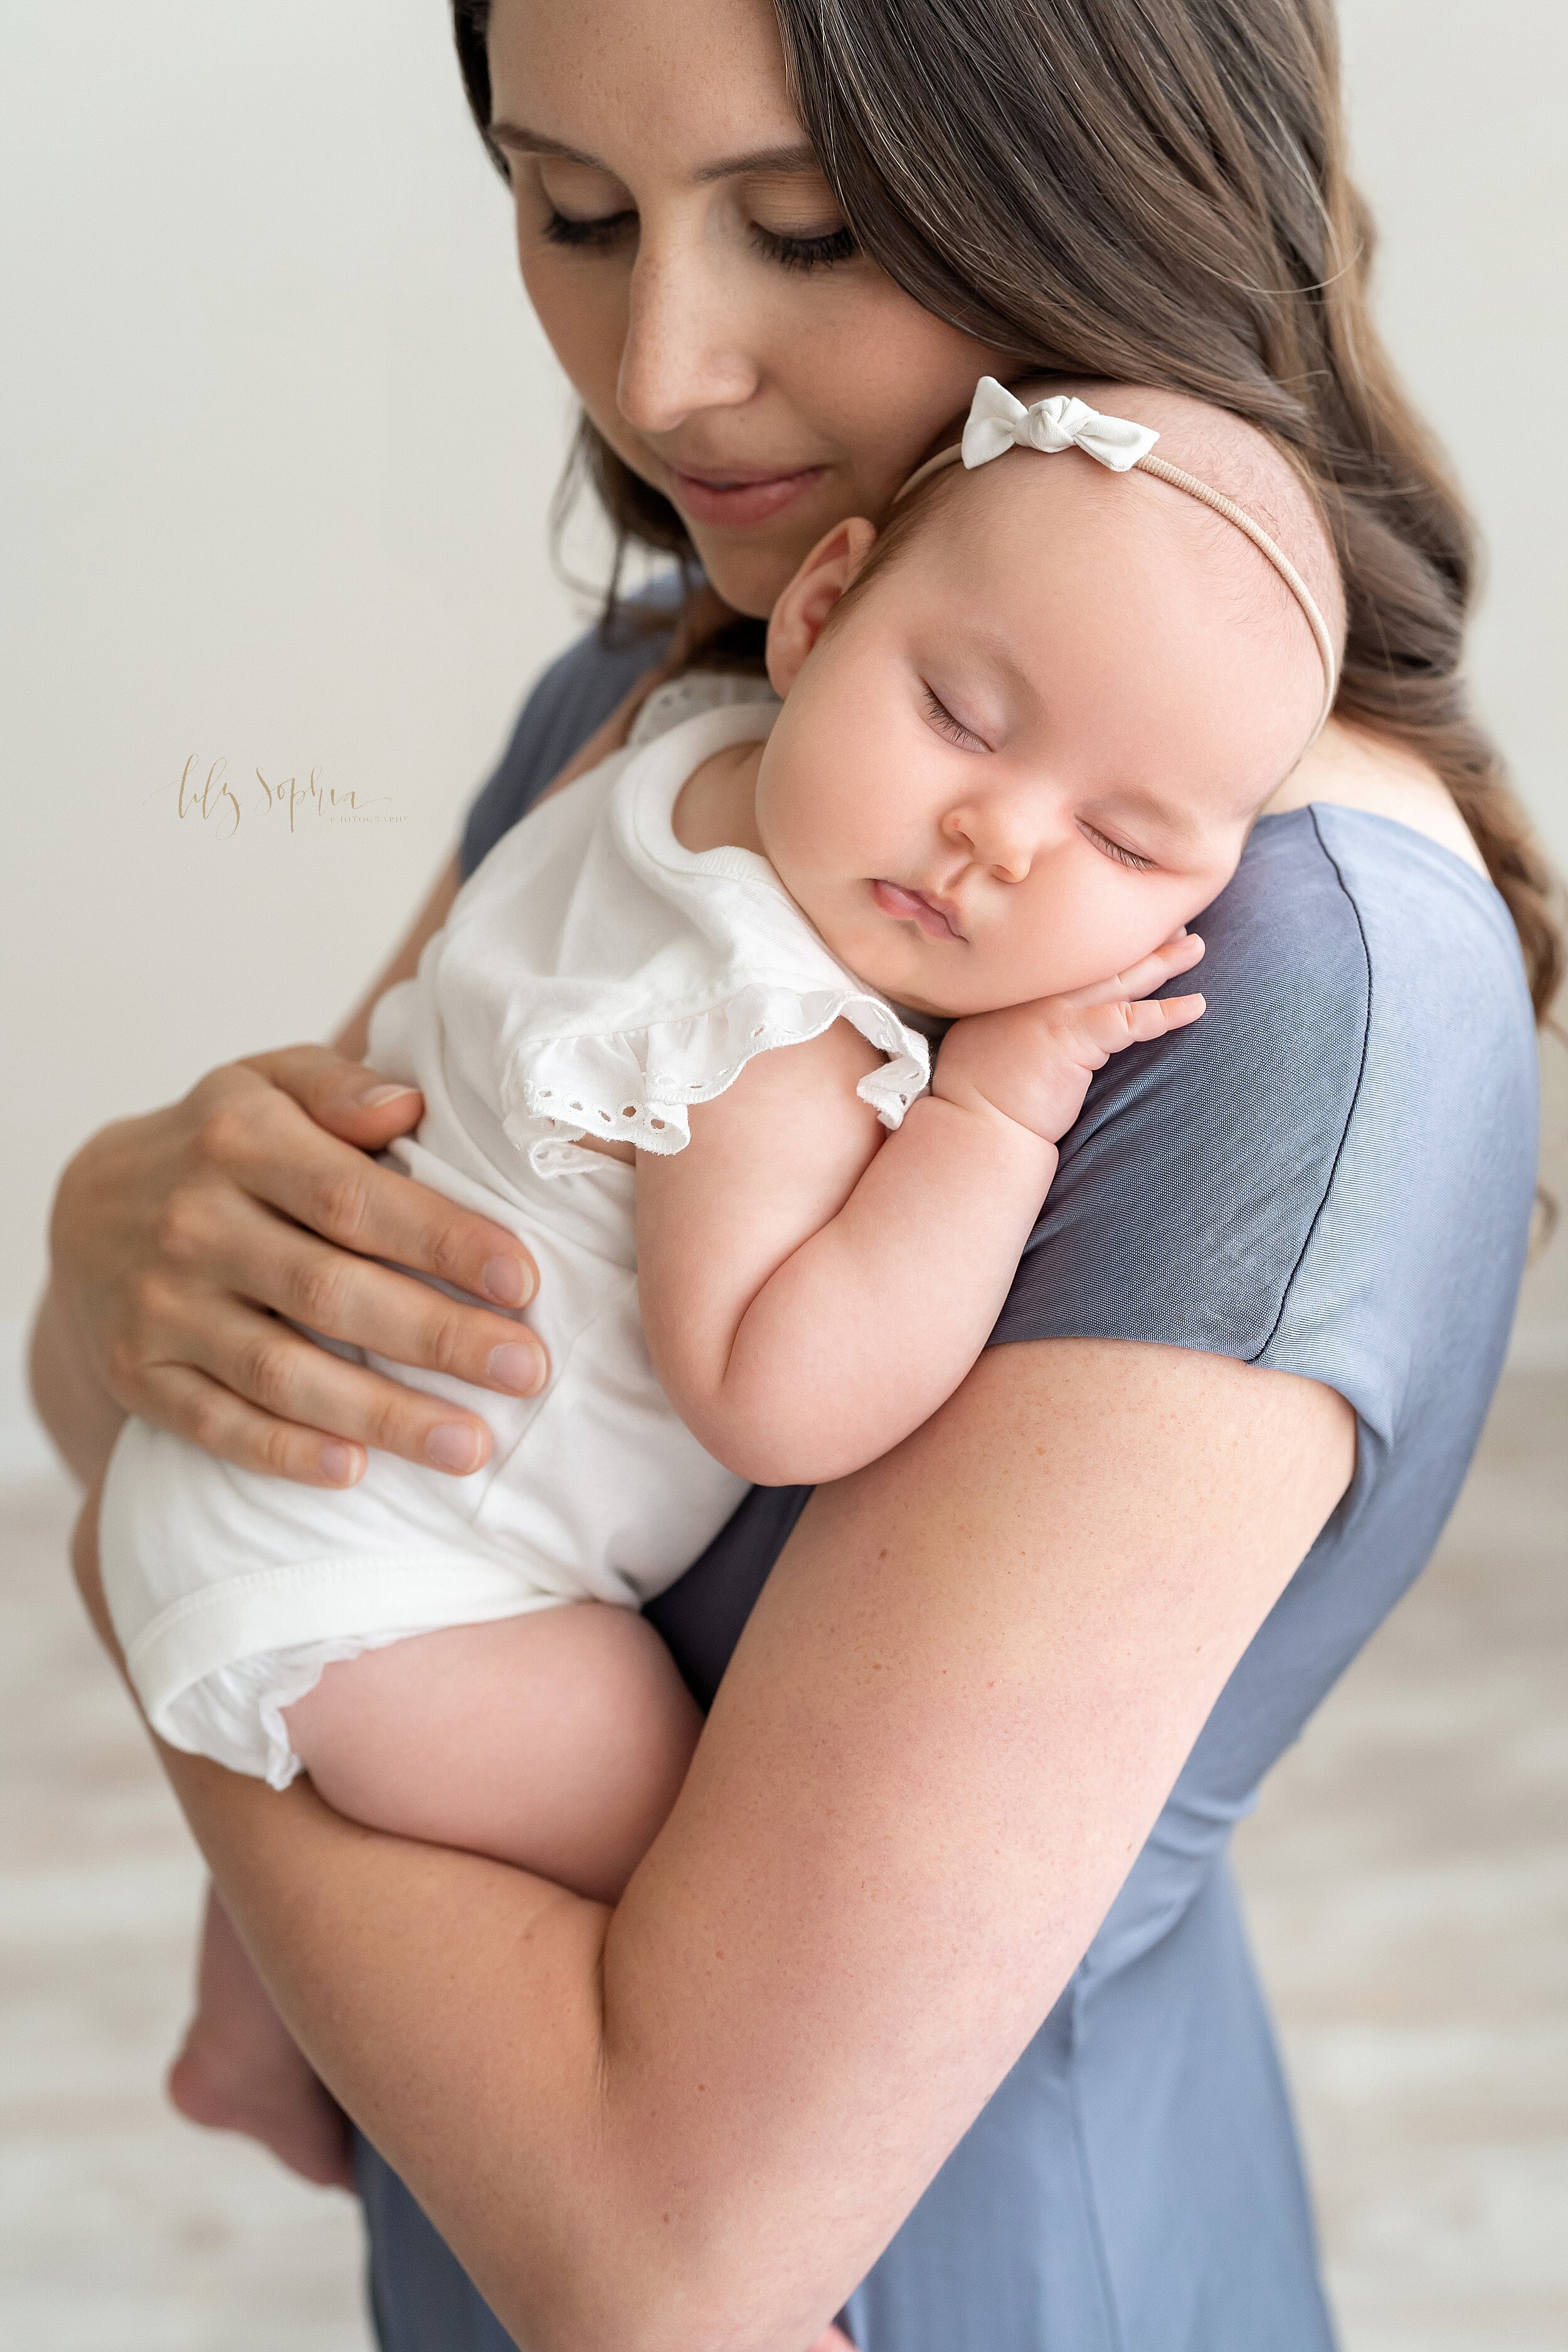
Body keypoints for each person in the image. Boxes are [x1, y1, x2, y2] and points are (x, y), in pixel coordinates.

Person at [33, 0, 1557, 2344]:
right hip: (456, 2196)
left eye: (807, 228)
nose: (657, 375)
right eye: (568, 211)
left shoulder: (1266, 981)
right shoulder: (660, 713)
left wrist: (175, 1591)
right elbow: (279, 1374)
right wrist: (115, 1253)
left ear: (1122, 186)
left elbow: (665, 2258)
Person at [97, 376, 1340, 2196]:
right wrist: (992, 1109)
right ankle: (700, 2271)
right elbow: (779, 1391)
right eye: (958, 716)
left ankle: (245, 2043)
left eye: (1130, 846)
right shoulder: (766, 1032)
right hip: (385, 1580)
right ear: (822, 607)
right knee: (705, 1899)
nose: (995, 838)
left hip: (280, 1479)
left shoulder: (676, 748)